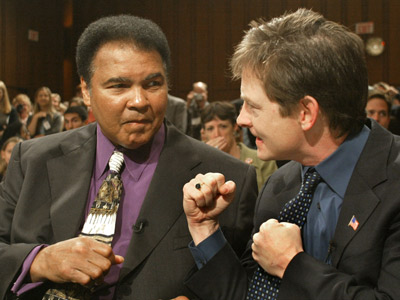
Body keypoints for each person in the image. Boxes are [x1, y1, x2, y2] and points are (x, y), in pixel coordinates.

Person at [0, 15, 258, 300]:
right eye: (119, 86)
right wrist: (40, 261)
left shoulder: (227, 177)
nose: (139, 101)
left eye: (152, 84)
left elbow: (243, 286)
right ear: (86, 91)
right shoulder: (31, 160)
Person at [182, 8, 400, 300]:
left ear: (305, 112)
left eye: (253, 106)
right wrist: (205, 229)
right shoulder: (281, 185)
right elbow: (251, 294)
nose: (242, 120)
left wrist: (293, 265)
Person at [201, 101, 277, 190]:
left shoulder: (262, 160)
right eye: (210, 129)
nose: (217, 134)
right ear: (204, 133)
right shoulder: (200, 163)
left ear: (235, 127)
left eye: (223, 126)